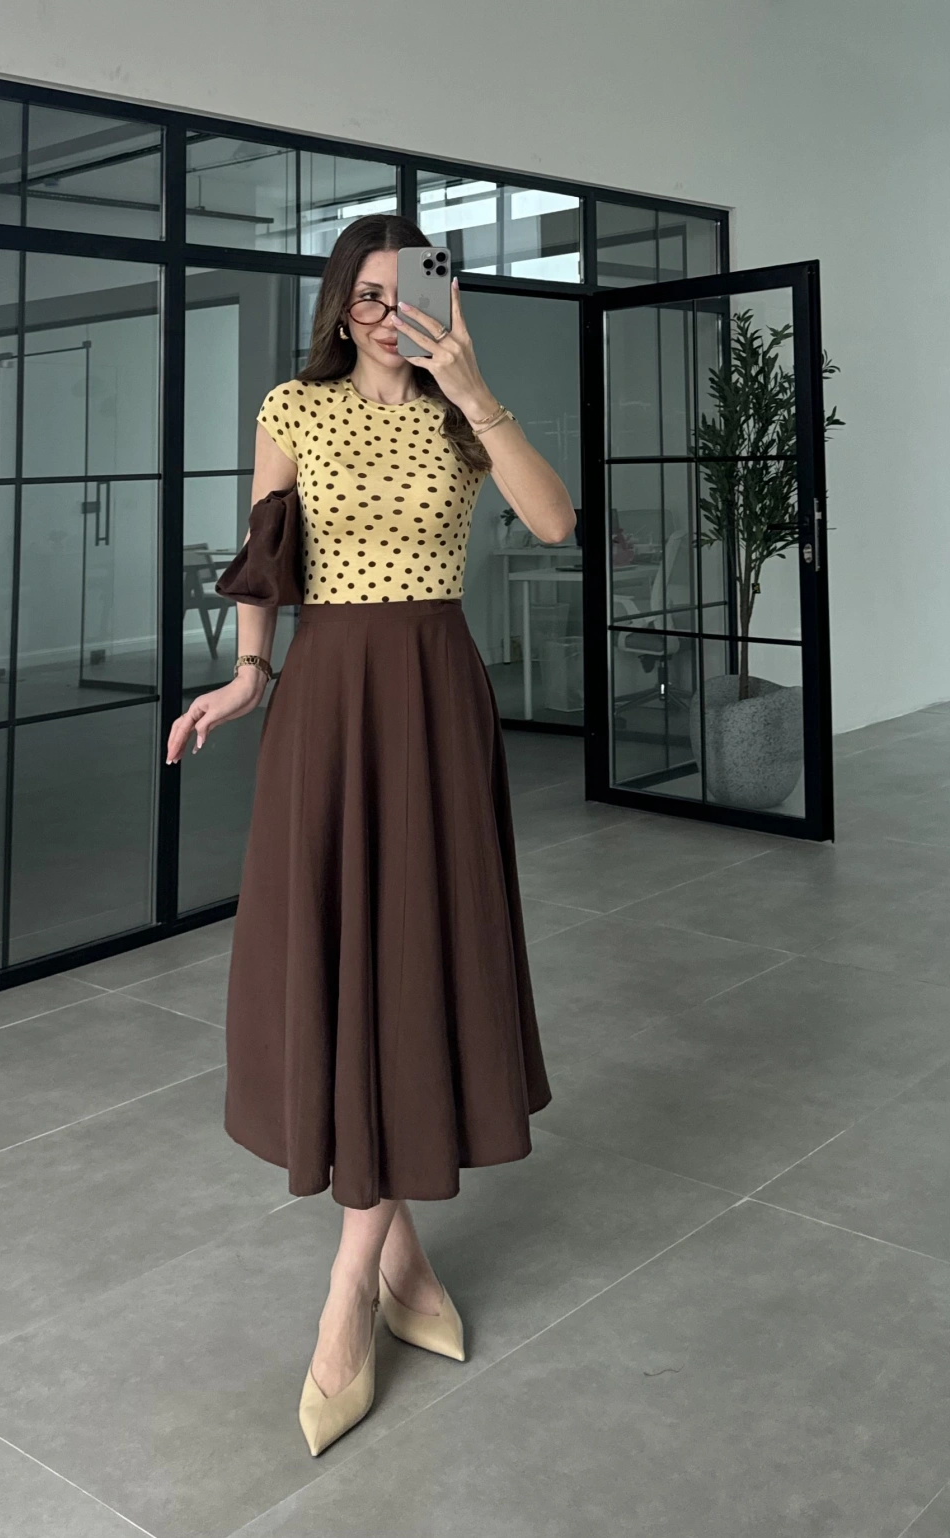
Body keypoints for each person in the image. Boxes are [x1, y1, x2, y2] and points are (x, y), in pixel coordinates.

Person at [166, 213, 575, 1457]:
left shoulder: (462, 415)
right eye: (370, 293)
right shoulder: (292, 408)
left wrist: (478, 387)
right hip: (330, 697)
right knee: (343, 956)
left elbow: (554, 523)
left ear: (444, 301)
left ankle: (351, 1288)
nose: (390, 314)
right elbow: (269, 554)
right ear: (341, 304)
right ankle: (399, 1261)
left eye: (412, 292)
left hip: (435, 691)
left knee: (419, 957)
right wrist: (248, 675)